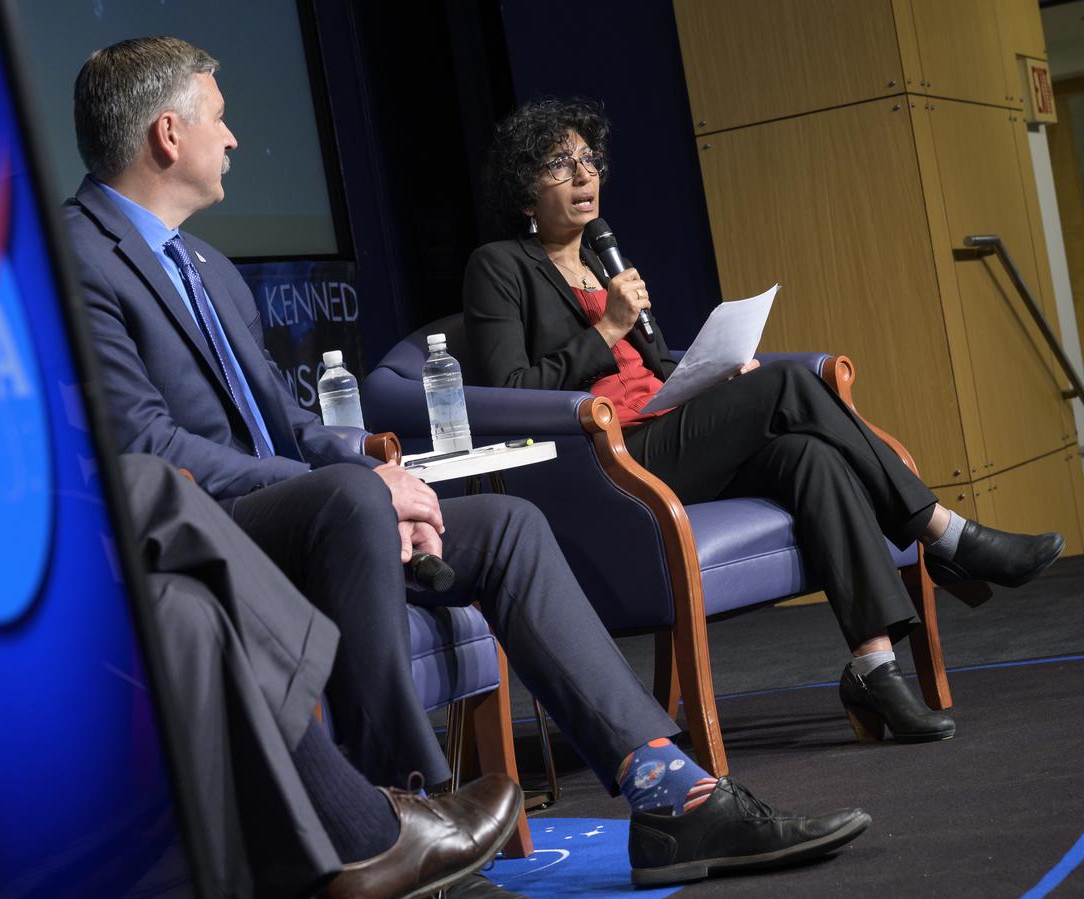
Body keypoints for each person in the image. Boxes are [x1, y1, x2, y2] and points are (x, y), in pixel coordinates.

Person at [63, 37, 871, 886]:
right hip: (208, 539)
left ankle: (672, 798)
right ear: (166, 135)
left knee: (510, 524)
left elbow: (292, 421)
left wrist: (391, 473)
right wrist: (352, 486)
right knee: (349, 500)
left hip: (312, 509)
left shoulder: (208, 268)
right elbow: (143, 446)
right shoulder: (77, 258)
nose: (232, 141)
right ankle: (416, 833)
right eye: (221, 122)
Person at [463, 97, 1065, 747]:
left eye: (589, 160)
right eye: (559, 164)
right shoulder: (499, 268)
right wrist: (607, 326)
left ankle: (875, 668)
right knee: (788, 383)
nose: (583, 176)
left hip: (673, 430)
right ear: (526, 193)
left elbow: (657, 369)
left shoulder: (611, 263)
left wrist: (715, 373)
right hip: (614, 461)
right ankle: (945, 533)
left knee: (813, 456)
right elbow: (508, 391)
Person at [119, 452, 521, 898]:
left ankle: (371, 842)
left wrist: (387, 486)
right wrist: (365, 485)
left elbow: (296, 426)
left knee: (185, 602)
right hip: (220, 511)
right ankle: (377, 836)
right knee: (158, 488)